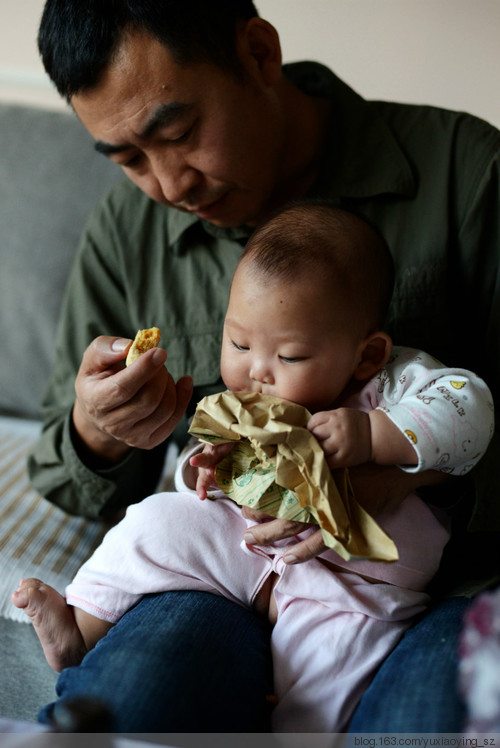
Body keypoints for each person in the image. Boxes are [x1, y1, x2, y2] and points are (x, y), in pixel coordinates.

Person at [26, 0, 500, 734]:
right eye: (126, 159)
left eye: (178, 135)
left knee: (417, 725)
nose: (169, 185)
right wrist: (100, 427)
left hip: (447, 578)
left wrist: (393, 474)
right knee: (132, 710)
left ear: (258, 53)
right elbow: (65, 475)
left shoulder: (468, 172)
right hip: (230, 564)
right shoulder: (128, 229)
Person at [14, 204, 494, 732]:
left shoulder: (394, 382)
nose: (256, 372)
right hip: (240, 549)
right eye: (239, 343)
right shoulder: (241, 401)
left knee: (331, 674)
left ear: (365, 355)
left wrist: (376, 434)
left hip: (350, 583)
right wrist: (202, 472)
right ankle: (81, 627)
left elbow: (469, 410)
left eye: (289, 357)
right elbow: (196, 471)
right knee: (158, 520)